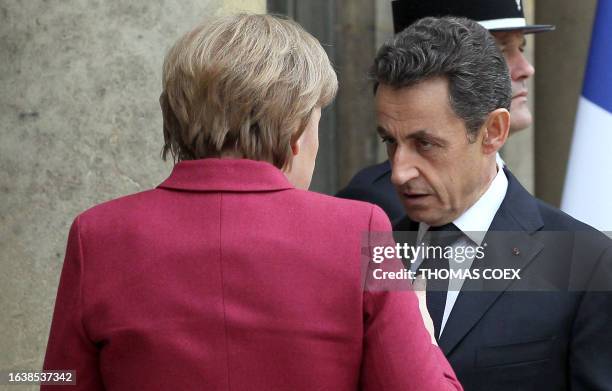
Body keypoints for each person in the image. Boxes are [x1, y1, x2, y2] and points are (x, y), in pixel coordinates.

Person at [41, 14, 463, 391]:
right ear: (297, 131)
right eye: (316, 120)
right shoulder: (359, 228)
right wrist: (420, 327)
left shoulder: (97, 234)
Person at [372, 16, 612, 390]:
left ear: (493, 132)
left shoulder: (586, 263)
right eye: (390, 141)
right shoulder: (376, 251)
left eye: (425, 144)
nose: (399, 172)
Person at [337, 0, 554, 223]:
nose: (527, 68)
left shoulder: (560, 233)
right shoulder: (375, 207)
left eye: (520, 47)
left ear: (495, 131)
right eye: (498, 51)